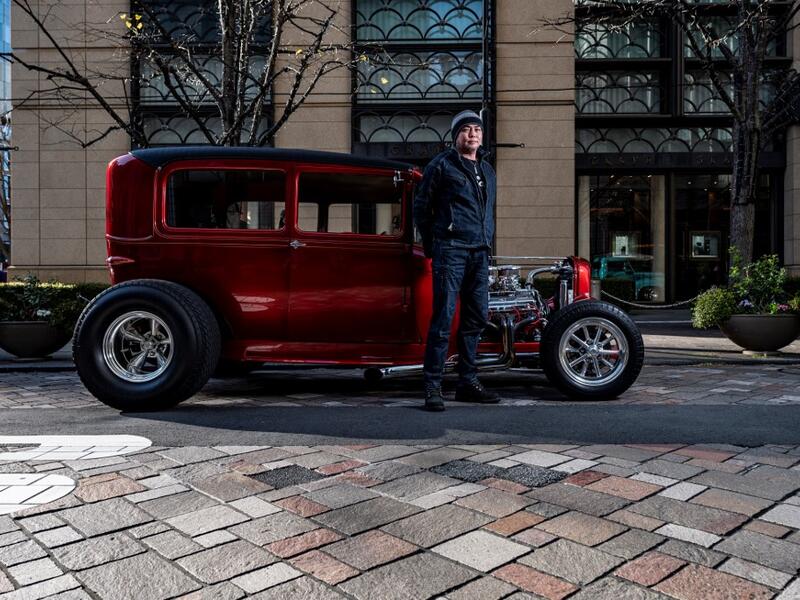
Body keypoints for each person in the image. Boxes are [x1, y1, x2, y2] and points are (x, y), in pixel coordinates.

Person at [413, 110, 500, 412]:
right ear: (456, 136)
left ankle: (468, 382)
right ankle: (432, 387)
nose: (473, 134)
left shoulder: (488, 170)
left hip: (479, 251)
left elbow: (487, 212)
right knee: (443, 319)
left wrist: (487, 242)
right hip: (451, 250)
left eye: (477, 129)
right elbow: (421, 208)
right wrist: (433, 246)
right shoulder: (442, 165)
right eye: (466, 129)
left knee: (476, 317)